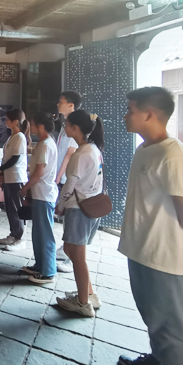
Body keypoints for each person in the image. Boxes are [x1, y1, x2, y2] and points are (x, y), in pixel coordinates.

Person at [117, 87, 183, 365]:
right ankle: (160, 361)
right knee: (154, 317)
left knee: (174, 329)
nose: (125, 116)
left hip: (164, 255)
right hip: (142, 249)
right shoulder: (144, 149)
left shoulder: (173, 155)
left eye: (130, 111)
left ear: (149, 115)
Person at [55, 110, 104, 317]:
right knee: (71, 250)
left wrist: (60, 205)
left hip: (78, 208)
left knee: (78, 256)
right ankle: (89, 294)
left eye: (66, 124)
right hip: (90, 206)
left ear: (75, 128)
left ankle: (83, 303)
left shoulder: (81, 154)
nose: (64, 127)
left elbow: (69, 185)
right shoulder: (93, 149)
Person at [20, 112, 58, 284]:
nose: (31, 127)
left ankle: (48, 271)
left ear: (41, 126)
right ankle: (40, 265)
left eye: (33, 124)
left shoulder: (45, 145)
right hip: (40, 193)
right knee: (38, 233)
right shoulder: (44, 143)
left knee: (45, 233)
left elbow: (38, 173)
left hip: (44, 194)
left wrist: (25, 188)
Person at [55, 90, 83, 273]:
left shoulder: (75, 125)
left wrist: (58, 176)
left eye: (61, 101)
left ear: (71, 105)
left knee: (72, 218)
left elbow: (69, 154)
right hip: (63, 176)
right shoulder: (65, 125)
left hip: (68, 178)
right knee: (66, 217)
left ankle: (71, 257)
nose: (58, 104)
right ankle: (65, 249)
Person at [0, 109, 30, 251]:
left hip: (17, 178)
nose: (5, 122)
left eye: (7, 119)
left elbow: (15, 158)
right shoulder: (12, 136)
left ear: (15, 121)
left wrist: (1, 168)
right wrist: (2, 173)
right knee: (10, 208)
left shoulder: (20, 137)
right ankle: (13, 234)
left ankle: (20, 238)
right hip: (9, 177)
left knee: (17, 208)